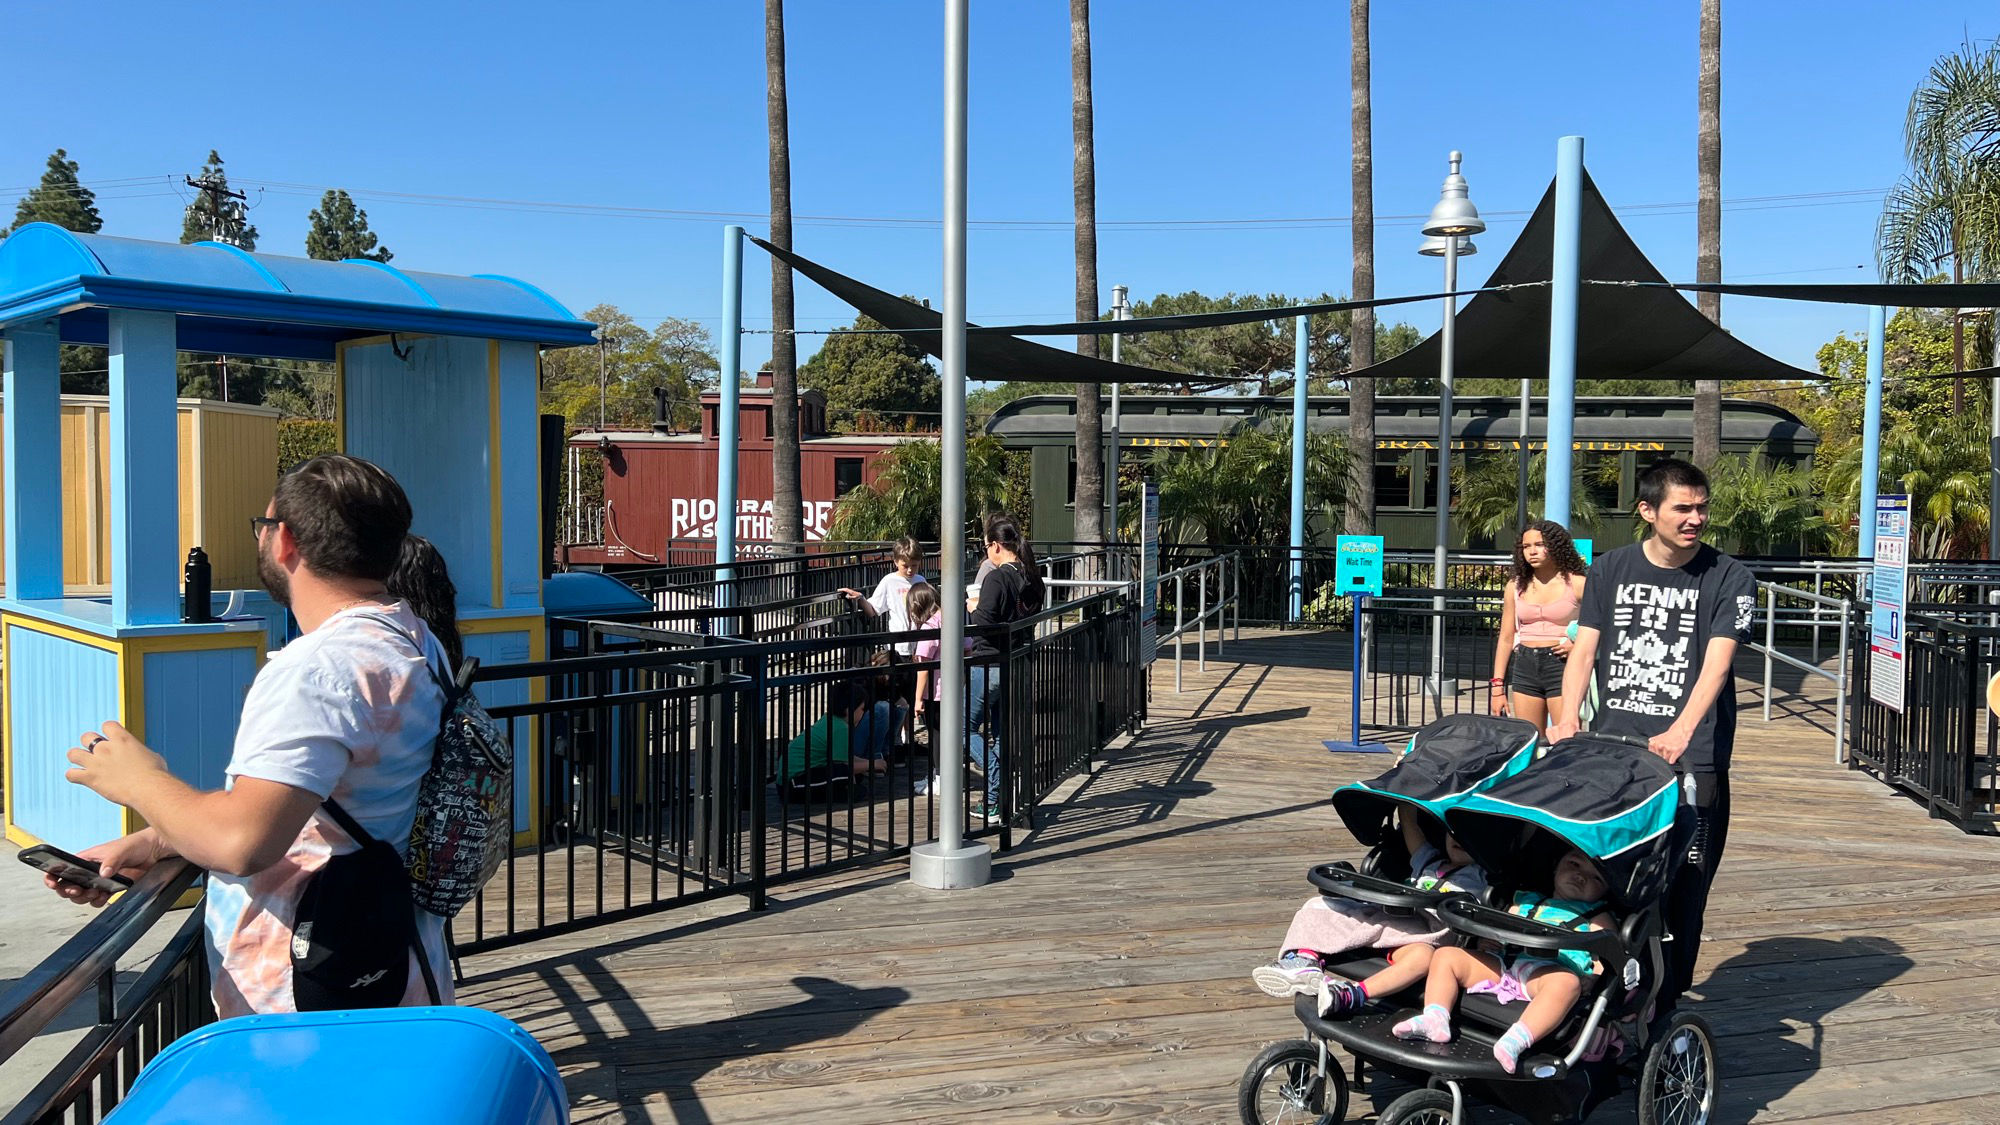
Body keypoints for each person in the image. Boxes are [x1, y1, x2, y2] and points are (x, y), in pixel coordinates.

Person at [48, 456, 457, 1017]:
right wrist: (159, 841)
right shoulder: (412, 641)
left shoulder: (316, 670)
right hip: (387, 963)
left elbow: (242, 843)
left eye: (263, 527)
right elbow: (319, 808)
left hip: (306, 999)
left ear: (284, 541)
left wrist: (141, 782)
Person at [1550, 457, 1755, 1007]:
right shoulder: (1611, 569)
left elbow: (1717, 665)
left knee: (1685, 884)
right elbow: (1585, 650)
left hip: (1692, 757)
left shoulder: (1730, 578)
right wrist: (1567, 719)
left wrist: (1681, 730)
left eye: (1702, 507)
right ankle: (1603, 983)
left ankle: (1671, 997)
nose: (1695, 518)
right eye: (1683, 508)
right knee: (1605, 867)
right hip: (1613, 748)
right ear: (1648, 510)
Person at [1393, 848, 1614, 1074]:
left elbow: (1607, 952)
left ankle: (1516, 1039)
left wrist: (1594, 976)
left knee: (1567, 984)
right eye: (1574, 865)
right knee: (1446, 956)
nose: (1581, 877)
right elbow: (1500, 927)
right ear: (1556, 866)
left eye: (1596, 877)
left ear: (1606, 889)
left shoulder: (1596, 915)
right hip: (1505, 964)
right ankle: (1435, 1017)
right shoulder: (1527, 900)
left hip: (1548, 973)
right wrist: (1486, 941)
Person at [1250, 810, 1488, 1010]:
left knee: (1424, 958)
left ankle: (1352, 995)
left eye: (1470, 837)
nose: (1458, 839)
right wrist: (1405, 783)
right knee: (1320, 905)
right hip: (1392, 917)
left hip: (1427, 932)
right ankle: (1303, 959)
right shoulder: (1429, 861)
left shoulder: (1482, 876)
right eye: (1453, 832)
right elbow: (1409, 824)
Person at [965, 516, 1044, 822]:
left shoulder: (997, 578)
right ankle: (997, 802)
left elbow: (984, 622)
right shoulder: (1033, 577)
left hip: (989, 662)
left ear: (996, 546)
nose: (986, 552)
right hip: (1017, 662)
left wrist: (973, 608)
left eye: (985, 546)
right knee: (999, 733)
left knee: (961, 728)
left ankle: (996, 780)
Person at [1488, 521, 1589, 739]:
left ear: (1556, 546)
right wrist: (1497, 687)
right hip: (1525, 664)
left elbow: (1602, 623)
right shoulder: (1514, 586)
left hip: (1562, 666)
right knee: (1530, 740)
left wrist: (1577, 643)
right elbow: (1506, 638)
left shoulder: (1578, 584)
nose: (1532, 551)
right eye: (1526, 546)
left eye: (1540, 544)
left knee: (1565, 740)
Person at [839, 536, 928, 658]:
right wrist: (860, 598)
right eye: (905, 566)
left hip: (920, 644)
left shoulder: (921, 581)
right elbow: (873, 609)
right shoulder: (889, 581)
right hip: (897, 645)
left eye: (914, 565)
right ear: (896, 561)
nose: (910, 570)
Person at [784, 681, 874, 795]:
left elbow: (846, 758)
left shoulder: (830, 720)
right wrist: (872, 765)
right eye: (862, 709)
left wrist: (869, 763)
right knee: (849, 781)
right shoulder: (841, 728)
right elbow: (844, 766)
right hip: (794, 783)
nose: (863, 713)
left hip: (797, 779)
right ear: (849, 710)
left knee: (854, 775)